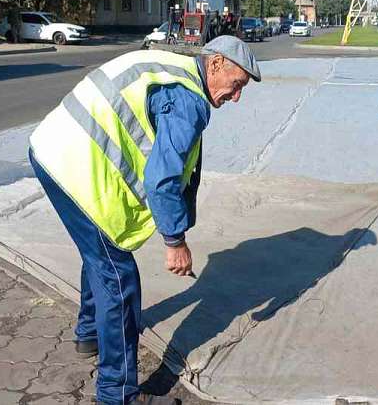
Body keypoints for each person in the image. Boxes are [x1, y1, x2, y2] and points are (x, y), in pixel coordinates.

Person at [28, 36, 260, 404]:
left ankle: (89, 334)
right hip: (75, 169)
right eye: (237, 85)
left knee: (100, 254)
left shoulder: (173, 70)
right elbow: (162, 178)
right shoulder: (188, 100)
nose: (237, 97)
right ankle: (116, 394)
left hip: (52, 149)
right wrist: (175, 241)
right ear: (215, 64)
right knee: (119, 281)